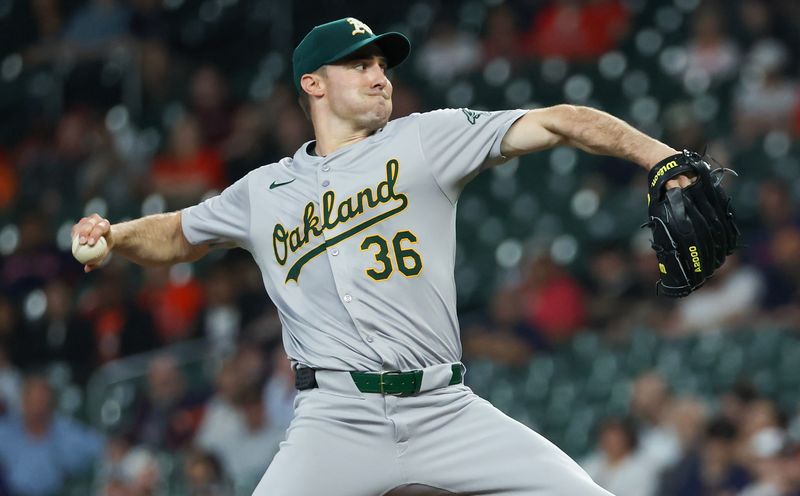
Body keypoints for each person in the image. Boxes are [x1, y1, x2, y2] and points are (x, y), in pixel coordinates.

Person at [73, 16, 690, 495]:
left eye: (382, 65)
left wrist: (660, 158)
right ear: (313, 85)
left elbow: (558, 121)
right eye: (359, 64)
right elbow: (180, 231)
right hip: (335, 418)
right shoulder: (264, 190)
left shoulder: (426, 139)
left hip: (445, 407)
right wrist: (116, 236)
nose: (379, 76)